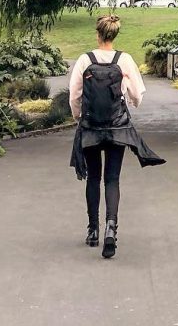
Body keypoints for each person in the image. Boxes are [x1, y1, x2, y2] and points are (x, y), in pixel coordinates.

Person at [69, 14, 164, 258]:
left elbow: (74, 95)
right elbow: (137, 95)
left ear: (97, 34)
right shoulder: (125, 60)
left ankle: (93, 230)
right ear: (114, 35)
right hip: (117, 127)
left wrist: (78, 117)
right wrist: (129, 101)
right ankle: (111, 228)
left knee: (93, 178)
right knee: (112, 179)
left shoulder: (85, 60)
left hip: (91, 127)